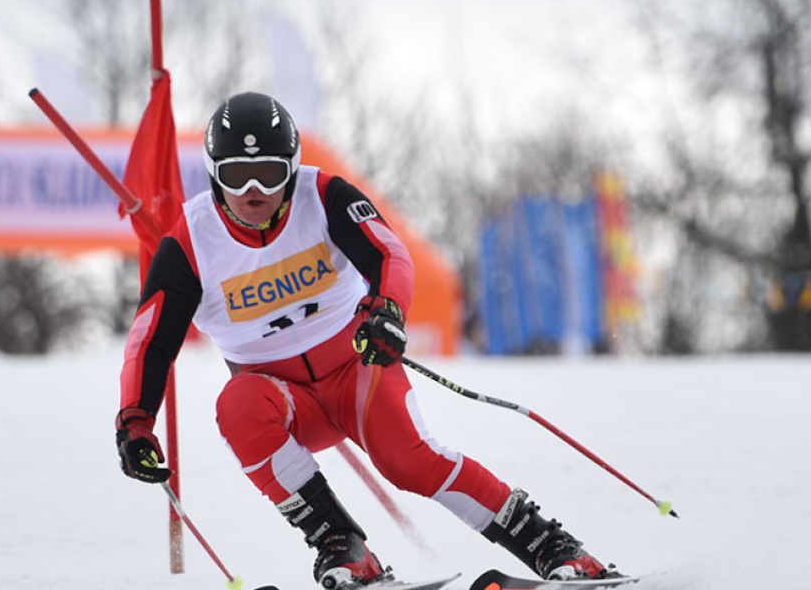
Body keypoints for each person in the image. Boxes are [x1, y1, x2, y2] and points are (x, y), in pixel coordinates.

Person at [114, 91, 622, 588]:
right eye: (234, 175)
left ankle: (556, 550)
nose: (252, 189)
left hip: (358, 369)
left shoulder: (325, 195)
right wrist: (136, 422)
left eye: (268, 173)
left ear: (291, 168)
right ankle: (345, 551)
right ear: (212, 173)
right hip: (283, 401)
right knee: (237, 406)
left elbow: (390, 255)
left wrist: (388, 311)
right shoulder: (191, 242)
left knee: (409, 461)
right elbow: (149, 341)